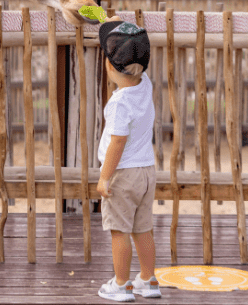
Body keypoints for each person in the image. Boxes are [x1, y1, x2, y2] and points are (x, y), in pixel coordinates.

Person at [96, 18, 161, 302]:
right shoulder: (144, 84)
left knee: (119, 231)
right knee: (142, 229)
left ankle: (121, 285)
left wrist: (104, 177)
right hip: (146, 172)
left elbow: (117, 142)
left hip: (122, 176)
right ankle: (148, 279)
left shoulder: (121, 103)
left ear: (109, 67)